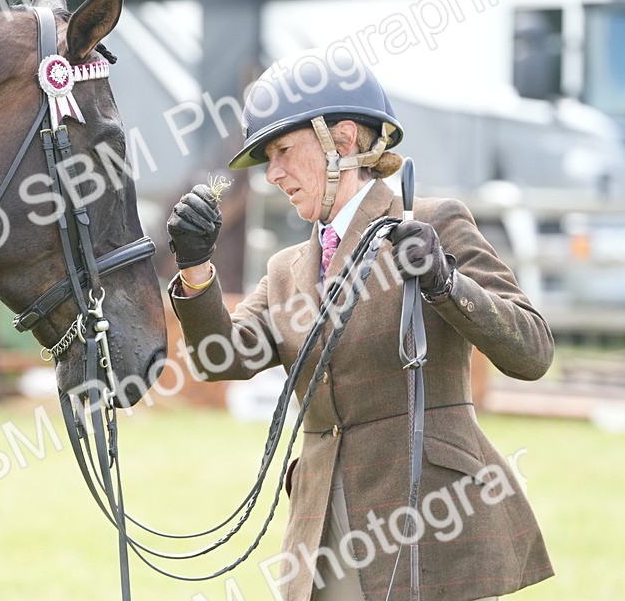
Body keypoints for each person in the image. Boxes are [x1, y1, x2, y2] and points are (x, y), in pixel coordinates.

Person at [166, 48, 554, 601]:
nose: (272, 174)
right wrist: (195, 269)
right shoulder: (286, 271)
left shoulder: (434, 222)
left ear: (342, 141)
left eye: (281, 151)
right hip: (322, 527)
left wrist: (445, 282)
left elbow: (533, 350)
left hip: (431, 519)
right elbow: (219, 359)